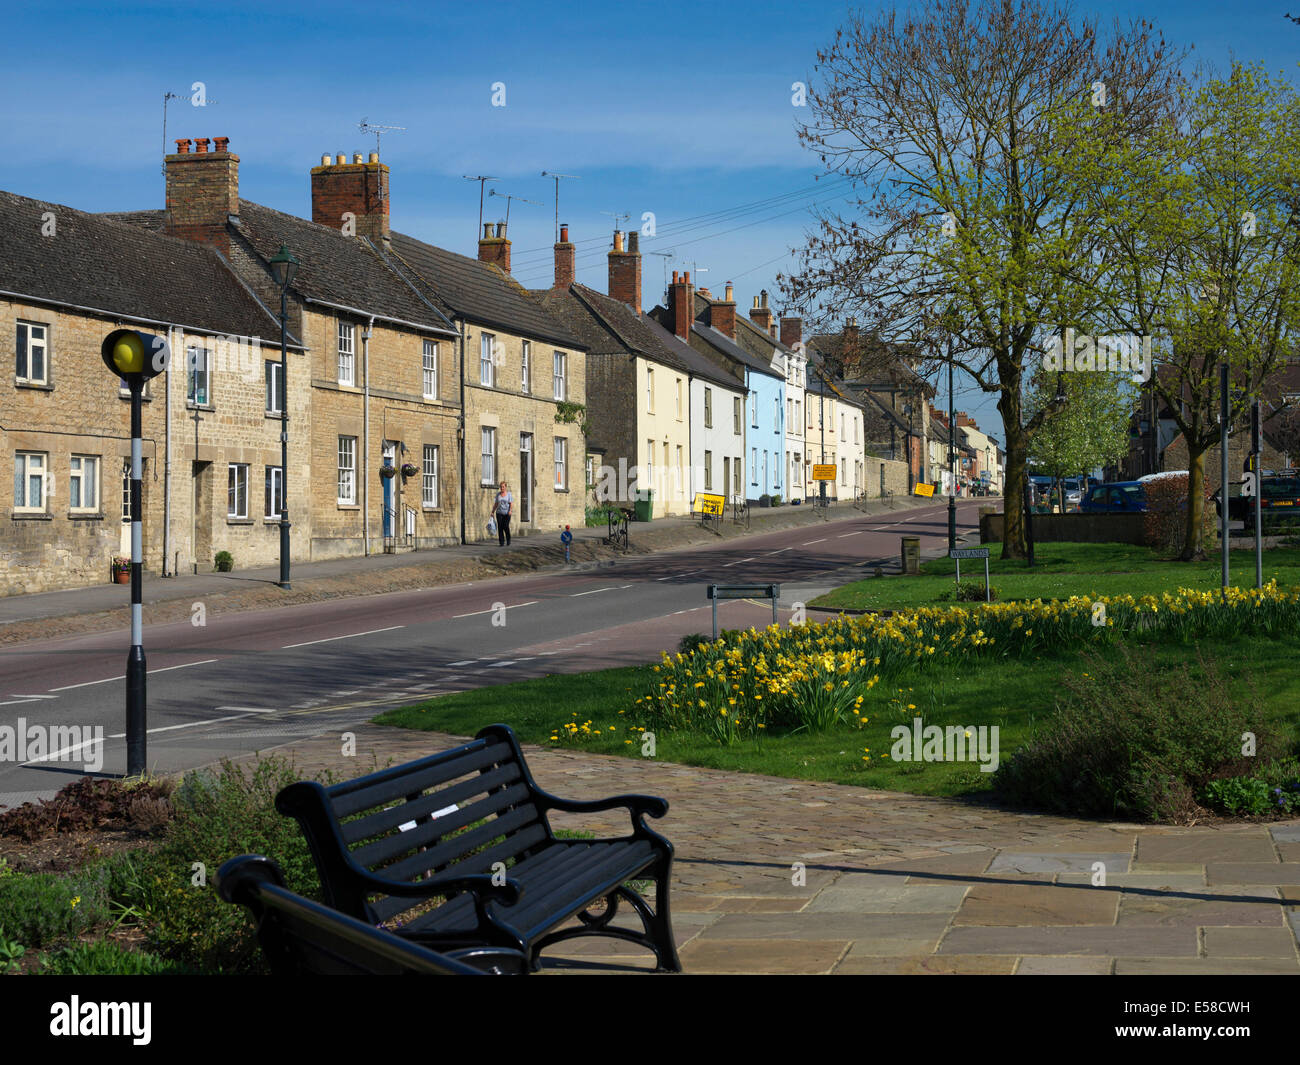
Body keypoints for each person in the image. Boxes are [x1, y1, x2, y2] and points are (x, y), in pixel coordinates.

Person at [495, 481, 513, 546]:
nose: (502, 488)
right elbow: (496, 504)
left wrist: (510, 511)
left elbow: (511, 503)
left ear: (505, 487)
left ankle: (508, 539)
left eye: (503, 487)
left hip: (507, 513)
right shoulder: (498, 495)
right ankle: (501, 542)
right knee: (500, 527)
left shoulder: (509, 494)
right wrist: (492, 511)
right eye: (501, 487)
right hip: (499, 513)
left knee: (505, 526)